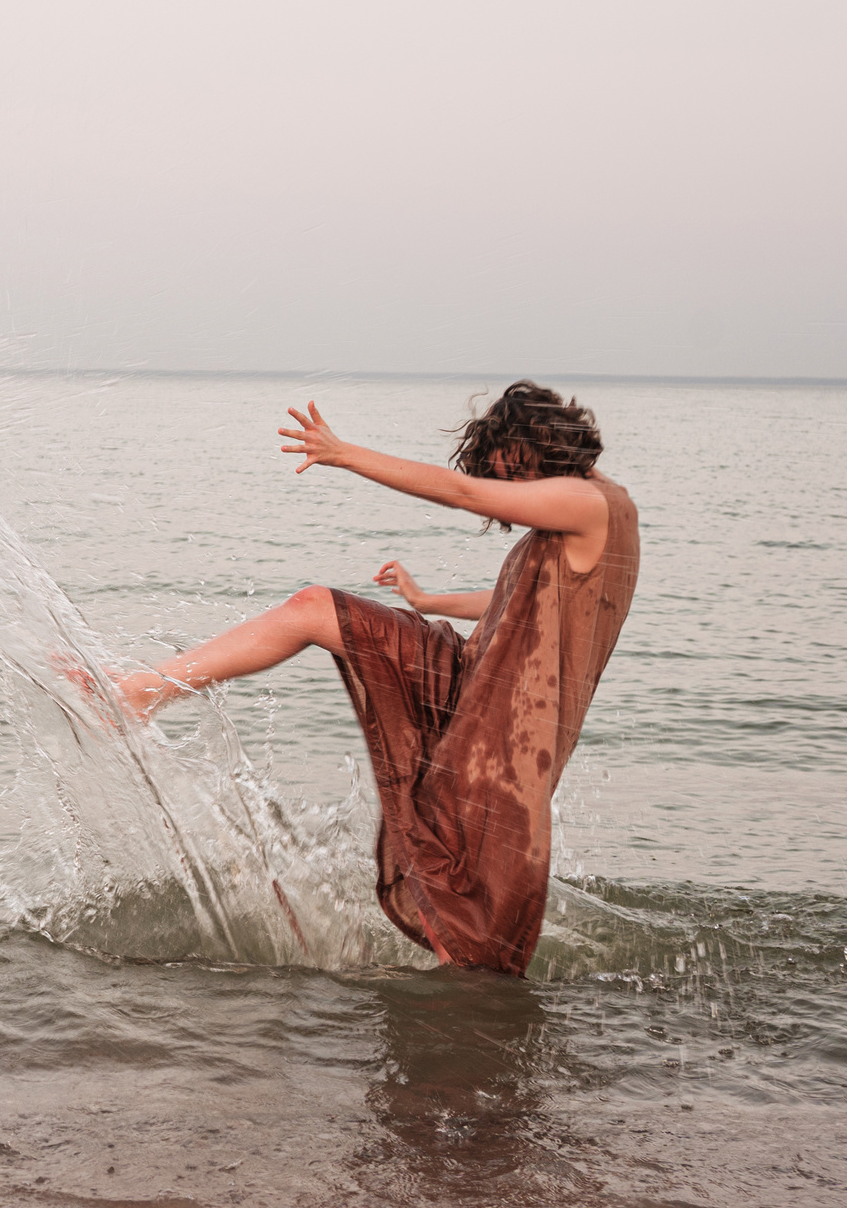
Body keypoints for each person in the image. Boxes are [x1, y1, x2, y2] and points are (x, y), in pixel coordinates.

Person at [98, 382, 639, 975]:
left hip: (506, 735)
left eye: (509, 469)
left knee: (466, 914)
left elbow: (462, 492)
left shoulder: (588, 504)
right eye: (500, 474)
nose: (505, 486)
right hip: (468, 675)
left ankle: (467, 1038)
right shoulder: (589, 520)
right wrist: (427, 599)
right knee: (313, 608)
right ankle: (140, 693)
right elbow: (517, 600)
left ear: (536, 441)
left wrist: (343, 453)